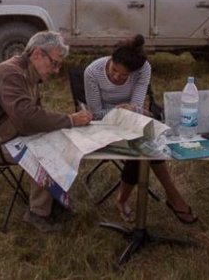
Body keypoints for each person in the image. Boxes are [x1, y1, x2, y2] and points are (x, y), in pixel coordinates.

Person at [0, 31, 93, 232]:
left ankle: (54, 197)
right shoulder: (11, 73)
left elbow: (34, 117)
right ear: (37, 54)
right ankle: (37, 214)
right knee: (46, 151)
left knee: (58, 139)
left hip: (9, 136)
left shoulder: (29, 72)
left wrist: (65, 123)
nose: (57, 70)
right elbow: (26, 118)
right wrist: (69, 119)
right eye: (55, 63)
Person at [83, 34, 198, 224]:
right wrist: (121, 110)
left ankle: (126, 200)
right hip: (102, 125)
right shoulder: (92, 72)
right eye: (114, 70)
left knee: (146, 144)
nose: (117, 76)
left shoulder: (143, 68)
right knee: (143, 147)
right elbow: (95, 113)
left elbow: (136, 105)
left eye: (124, 75)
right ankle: (173, 198)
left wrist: (133, 110)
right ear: (110, 59)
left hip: (130, 121)